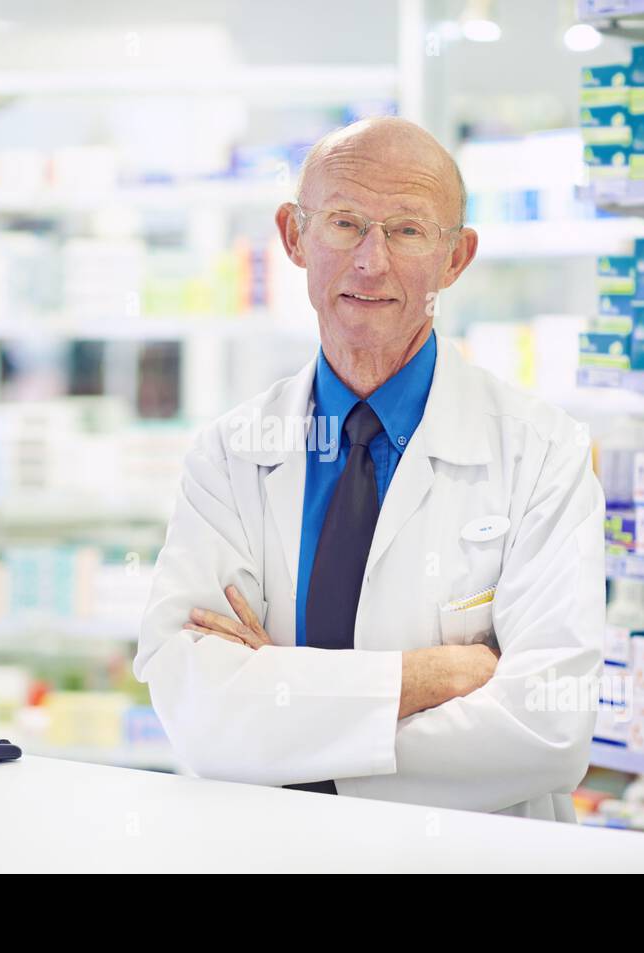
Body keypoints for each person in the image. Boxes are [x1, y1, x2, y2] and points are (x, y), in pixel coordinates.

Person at [134, 116, 605, 820]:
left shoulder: (544, 453)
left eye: (408, 230)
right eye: (345, 222)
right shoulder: (229, 455)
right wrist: (432, 676)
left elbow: (547, 731)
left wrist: (283, 717)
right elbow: (200, 712)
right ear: (294, 236)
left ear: (457, 258)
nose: (370, 261)